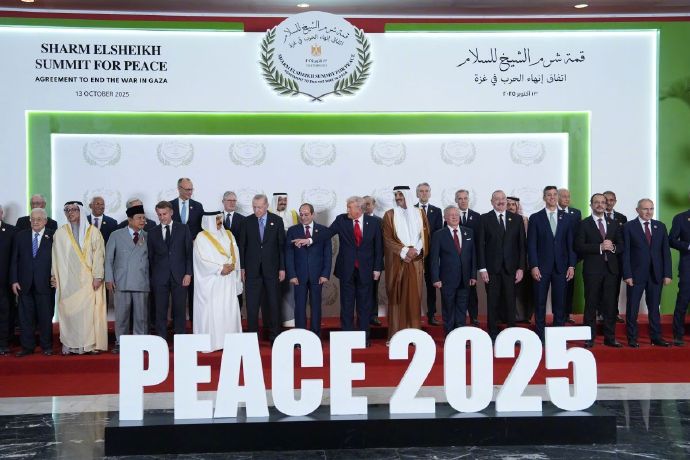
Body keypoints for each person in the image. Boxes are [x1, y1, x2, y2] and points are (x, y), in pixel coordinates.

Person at [312, 196, 382, 346]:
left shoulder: (374, 223)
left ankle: (364, 339)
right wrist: (310, 239)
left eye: (350, 207)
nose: (347, 210)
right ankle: (347, 339)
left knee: (364, 306)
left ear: (359, 209)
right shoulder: (341, 220)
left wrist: (377, 268)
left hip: (366, 270)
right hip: (346, 270)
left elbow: (378, 247)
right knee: (347, 305)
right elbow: (327, 233)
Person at [51, 201, 107, 355]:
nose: (70, 213)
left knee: (88, 314)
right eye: (67, 210)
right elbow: (55, 257)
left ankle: (88, 345)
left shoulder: (93, 232)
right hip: (68, 281)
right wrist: (54, 275)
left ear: (80, 211)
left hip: (89, 281)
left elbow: (99, 256)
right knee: (70, 313)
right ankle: (71, 345)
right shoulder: (60, 233)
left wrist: (97, 276)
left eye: (74, 210)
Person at [527, 186, 576, 341]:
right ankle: (540, 336)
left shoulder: (567, 218)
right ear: (544, 198)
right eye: (549, 195)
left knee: (560, 303)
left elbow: (571, 244)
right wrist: (534, 265)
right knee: (540, 302)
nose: (552, 197)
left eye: (555, 194)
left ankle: (558, 337)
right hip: (541, 267)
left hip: (561, 267)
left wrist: (571, 265)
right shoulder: (535, 218)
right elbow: (531, 244)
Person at [575, 193, 624, 348]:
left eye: (603, 202)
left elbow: (622, 245)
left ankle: (610, 338)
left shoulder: (614, 223)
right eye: (596, 202)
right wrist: (599, 247)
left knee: (610, 305)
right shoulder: (584, 224)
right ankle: (589, 338)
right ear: (591, 205)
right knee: (591, 304)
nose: (600, 205)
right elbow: (579, 246)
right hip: (592, 270)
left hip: (611, 270)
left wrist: (613, 247)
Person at [382, 186, 430, 341]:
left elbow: (424, 235)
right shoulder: (389, 215)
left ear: (407, 196)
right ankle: (396, 336)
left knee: (414, 297)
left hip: (415, 261)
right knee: (396, 297)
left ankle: (414, 336)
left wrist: (415, 250)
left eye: (401, 195)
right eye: (396, 195)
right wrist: (404, 251)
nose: (398, 198)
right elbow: (387, 239)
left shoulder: (420, 213)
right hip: (397, 262)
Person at [622, 199, 672, 347]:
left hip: (656, 274)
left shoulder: (660, 226)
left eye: (651, 209)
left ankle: (656, 337)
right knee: (632, 308)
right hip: (635, 275)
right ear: (637, 210)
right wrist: (627, 274)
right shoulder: (628, 227)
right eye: (645, 209)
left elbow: (665, 252)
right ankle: (632, 338)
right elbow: (626, 253)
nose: (648, 212)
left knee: (654, 308)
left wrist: (667, 274)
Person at [477, 190, 526, 341]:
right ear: (492, 202)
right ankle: (492, 334)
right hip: (492, 269)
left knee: (511, 303)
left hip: (511, 269)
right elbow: (480, 246)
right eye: (497, 199)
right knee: (492, 303)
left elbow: (522, 246)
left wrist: (521, 268)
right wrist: (482, 268)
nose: (501, 201)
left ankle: (511, 335)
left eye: (503, 198)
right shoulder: (484, 219)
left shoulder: (517, 219)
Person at [193, 211, 242, 352]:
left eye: (220, 219)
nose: (220, 222)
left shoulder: (228, 234)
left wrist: (232, 266)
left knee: (228, 310)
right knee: (212, 312)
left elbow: (235, 252)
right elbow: (201, 260)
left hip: (228, 280)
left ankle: (228, 343)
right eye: (216, 220)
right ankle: (213, 343)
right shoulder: (201, 237)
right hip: (211, 282)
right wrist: (220, 268)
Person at [240, 194, 285, 342]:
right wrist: (242, 268)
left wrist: (282, 268)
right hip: (252, 271)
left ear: (266, 206)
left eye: (259, 207)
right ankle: (252, 338)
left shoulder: (277, 221)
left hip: (272, 270)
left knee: (273, 304)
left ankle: (274, 337)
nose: (256, 210)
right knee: (252, 306)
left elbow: (281, 247)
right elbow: (242, 246)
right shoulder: (247, 221)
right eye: (254, 207)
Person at [106, 205, 150, 354]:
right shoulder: (116, 235)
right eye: (139, 218)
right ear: (130, 220)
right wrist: (109, 278)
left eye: (143, 218)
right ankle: (120, 343)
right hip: (121, 281)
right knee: (121, 316)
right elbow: (108, 259)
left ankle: (140, 343)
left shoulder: (148, 236)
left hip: (141, 281)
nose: (142, 221)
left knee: (141, 316)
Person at [10, 208, 55, 356]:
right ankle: (27, 347)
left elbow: (59, 259)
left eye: (39, 219)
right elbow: (14, 259)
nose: (35, 222)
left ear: (45, 221)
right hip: (24, 283)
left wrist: (56, 277)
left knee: (45, 317)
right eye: (33, 219)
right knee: (25, 318)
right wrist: (14, 280)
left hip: (45, 284)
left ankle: (46, 346)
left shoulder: (53, 236)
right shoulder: (21, 236)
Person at [285, 203, 332, 338]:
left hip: (318, 276)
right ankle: (301, 337)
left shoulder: (323, 231)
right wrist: (292, 275)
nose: (303, 217)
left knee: (316, 306)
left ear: (313, 214)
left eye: (306, 214)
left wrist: (325, 274)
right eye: (301, 214)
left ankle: (315, 335)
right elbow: (289, 255)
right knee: (299, 306)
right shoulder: (292, 231)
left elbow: (327, 254)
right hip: (299, 276)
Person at [148, 200, 192, 339]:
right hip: (159, 278)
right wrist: (153, 277)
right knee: (160, 310)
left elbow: (189, 253)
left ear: (171, 212)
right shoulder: (152, 232)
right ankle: (161, 339)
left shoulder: (183, 229)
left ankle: (180, 339)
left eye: (164, 214)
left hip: (180, 276)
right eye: (159, 215)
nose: (162, 217)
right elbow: (150, 257)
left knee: (179, 309)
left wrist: (188, 273)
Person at [430, 206, 477, 336]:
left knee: (462, 310)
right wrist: (435, 278)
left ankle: (460, 337)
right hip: (446, 280)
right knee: (448, 310)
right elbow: (434, 259)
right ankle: (450, 337)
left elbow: (473, 256)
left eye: (456, 214)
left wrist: (473, 275)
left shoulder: (469, 232)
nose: (455, 216)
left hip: (465, 279)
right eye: (451, 215)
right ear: (445, 218)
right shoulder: (439, 235)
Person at [415, 182, 443, 326]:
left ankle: (431, 314)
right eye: (421, 191)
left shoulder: (437, 211)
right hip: (415, 256)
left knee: (431, 287)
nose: (424, 193)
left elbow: (438, 234)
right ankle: (414, 315)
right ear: (417, 194)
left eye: (426, 191)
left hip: (431, 256)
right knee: (414, 287)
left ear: (430, 193)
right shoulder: (411, 210)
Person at [455, 189, 481, 326]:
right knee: (457, 291)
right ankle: (459, 320)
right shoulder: (451, 216)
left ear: (468, 199)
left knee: (471, 291)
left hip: (470, 261)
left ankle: (474, 317)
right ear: (456, 201)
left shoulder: (477, 217)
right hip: (455, 262)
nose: (463, 201)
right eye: (460, 198)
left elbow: (479, 242)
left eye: (465, 198)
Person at [272, 192, 298, 327]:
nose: (283, 202)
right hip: (273, 257)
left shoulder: (293, 214)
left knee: (290, 288)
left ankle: (289, 319)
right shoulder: (268, 214)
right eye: (280, 200)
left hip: (290, 255)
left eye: (285, 200)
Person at [558, 187, 582, 324]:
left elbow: (578, 235)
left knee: (569, 286)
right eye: (564, 196)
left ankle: (567, 313)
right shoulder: (552, 213)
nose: (567, 199)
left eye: (568, 196)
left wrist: (575, 257)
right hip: (554, 255)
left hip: (571, 256)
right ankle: (558, 314)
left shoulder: (576, 213)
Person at [506, 195, 532, 324]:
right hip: (508, 261)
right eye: (508, 205)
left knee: (524, 290)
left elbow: (527, 241)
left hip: (524, 260)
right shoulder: (502, 219)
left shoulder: (524, 220)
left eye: (513, 205)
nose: (511, 207)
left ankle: (524, 316)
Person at [603, 190, 627, 324]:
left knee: (614, 288)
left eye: (611, 200)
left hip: (616, 259)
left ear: (615, 202)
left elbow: (623, 240)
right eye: (606, 200)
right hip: (599, 258)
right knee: (599, 287)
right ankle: (600, 312)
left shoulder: (622, 218)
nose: (608, 202)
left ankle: (614, 313)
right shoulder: (594, 217)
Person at [670, 192, 690, 346]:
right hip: (687, 266)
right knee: (683, 300)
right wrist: (688, 246)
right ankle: (678, 334)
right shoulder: (681, 218)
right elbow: (671, 239)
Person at [222, 191, 246, 309]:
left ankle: (238, 314)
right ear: (223, 202)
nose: (232, 203)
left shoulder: (243, 219)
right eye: (229, 200)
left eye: (234, 201)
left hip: (237, 260)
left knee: (237, 287)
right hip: (221, 261)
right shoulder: (216, 218)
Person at [363, 195, 383, 326]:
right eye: (363, 204)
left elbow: (381, 245)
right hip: (360, 263)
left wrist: (378, 264)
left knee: (373, 291)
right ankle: (362, 316)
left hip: (375, 263)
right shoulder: (356, 220)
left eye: (368, 204)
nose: (365, 207)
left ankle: (373, 315)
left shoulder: (379, 221)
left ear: (374, 205)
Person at [0, 205, 17, 355]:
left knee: (5, 313)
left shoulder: (11, 231)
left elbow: (15, 258)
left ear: (2, 213)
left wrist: (14, 279)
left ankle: (3, 343)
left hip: (5, 282)